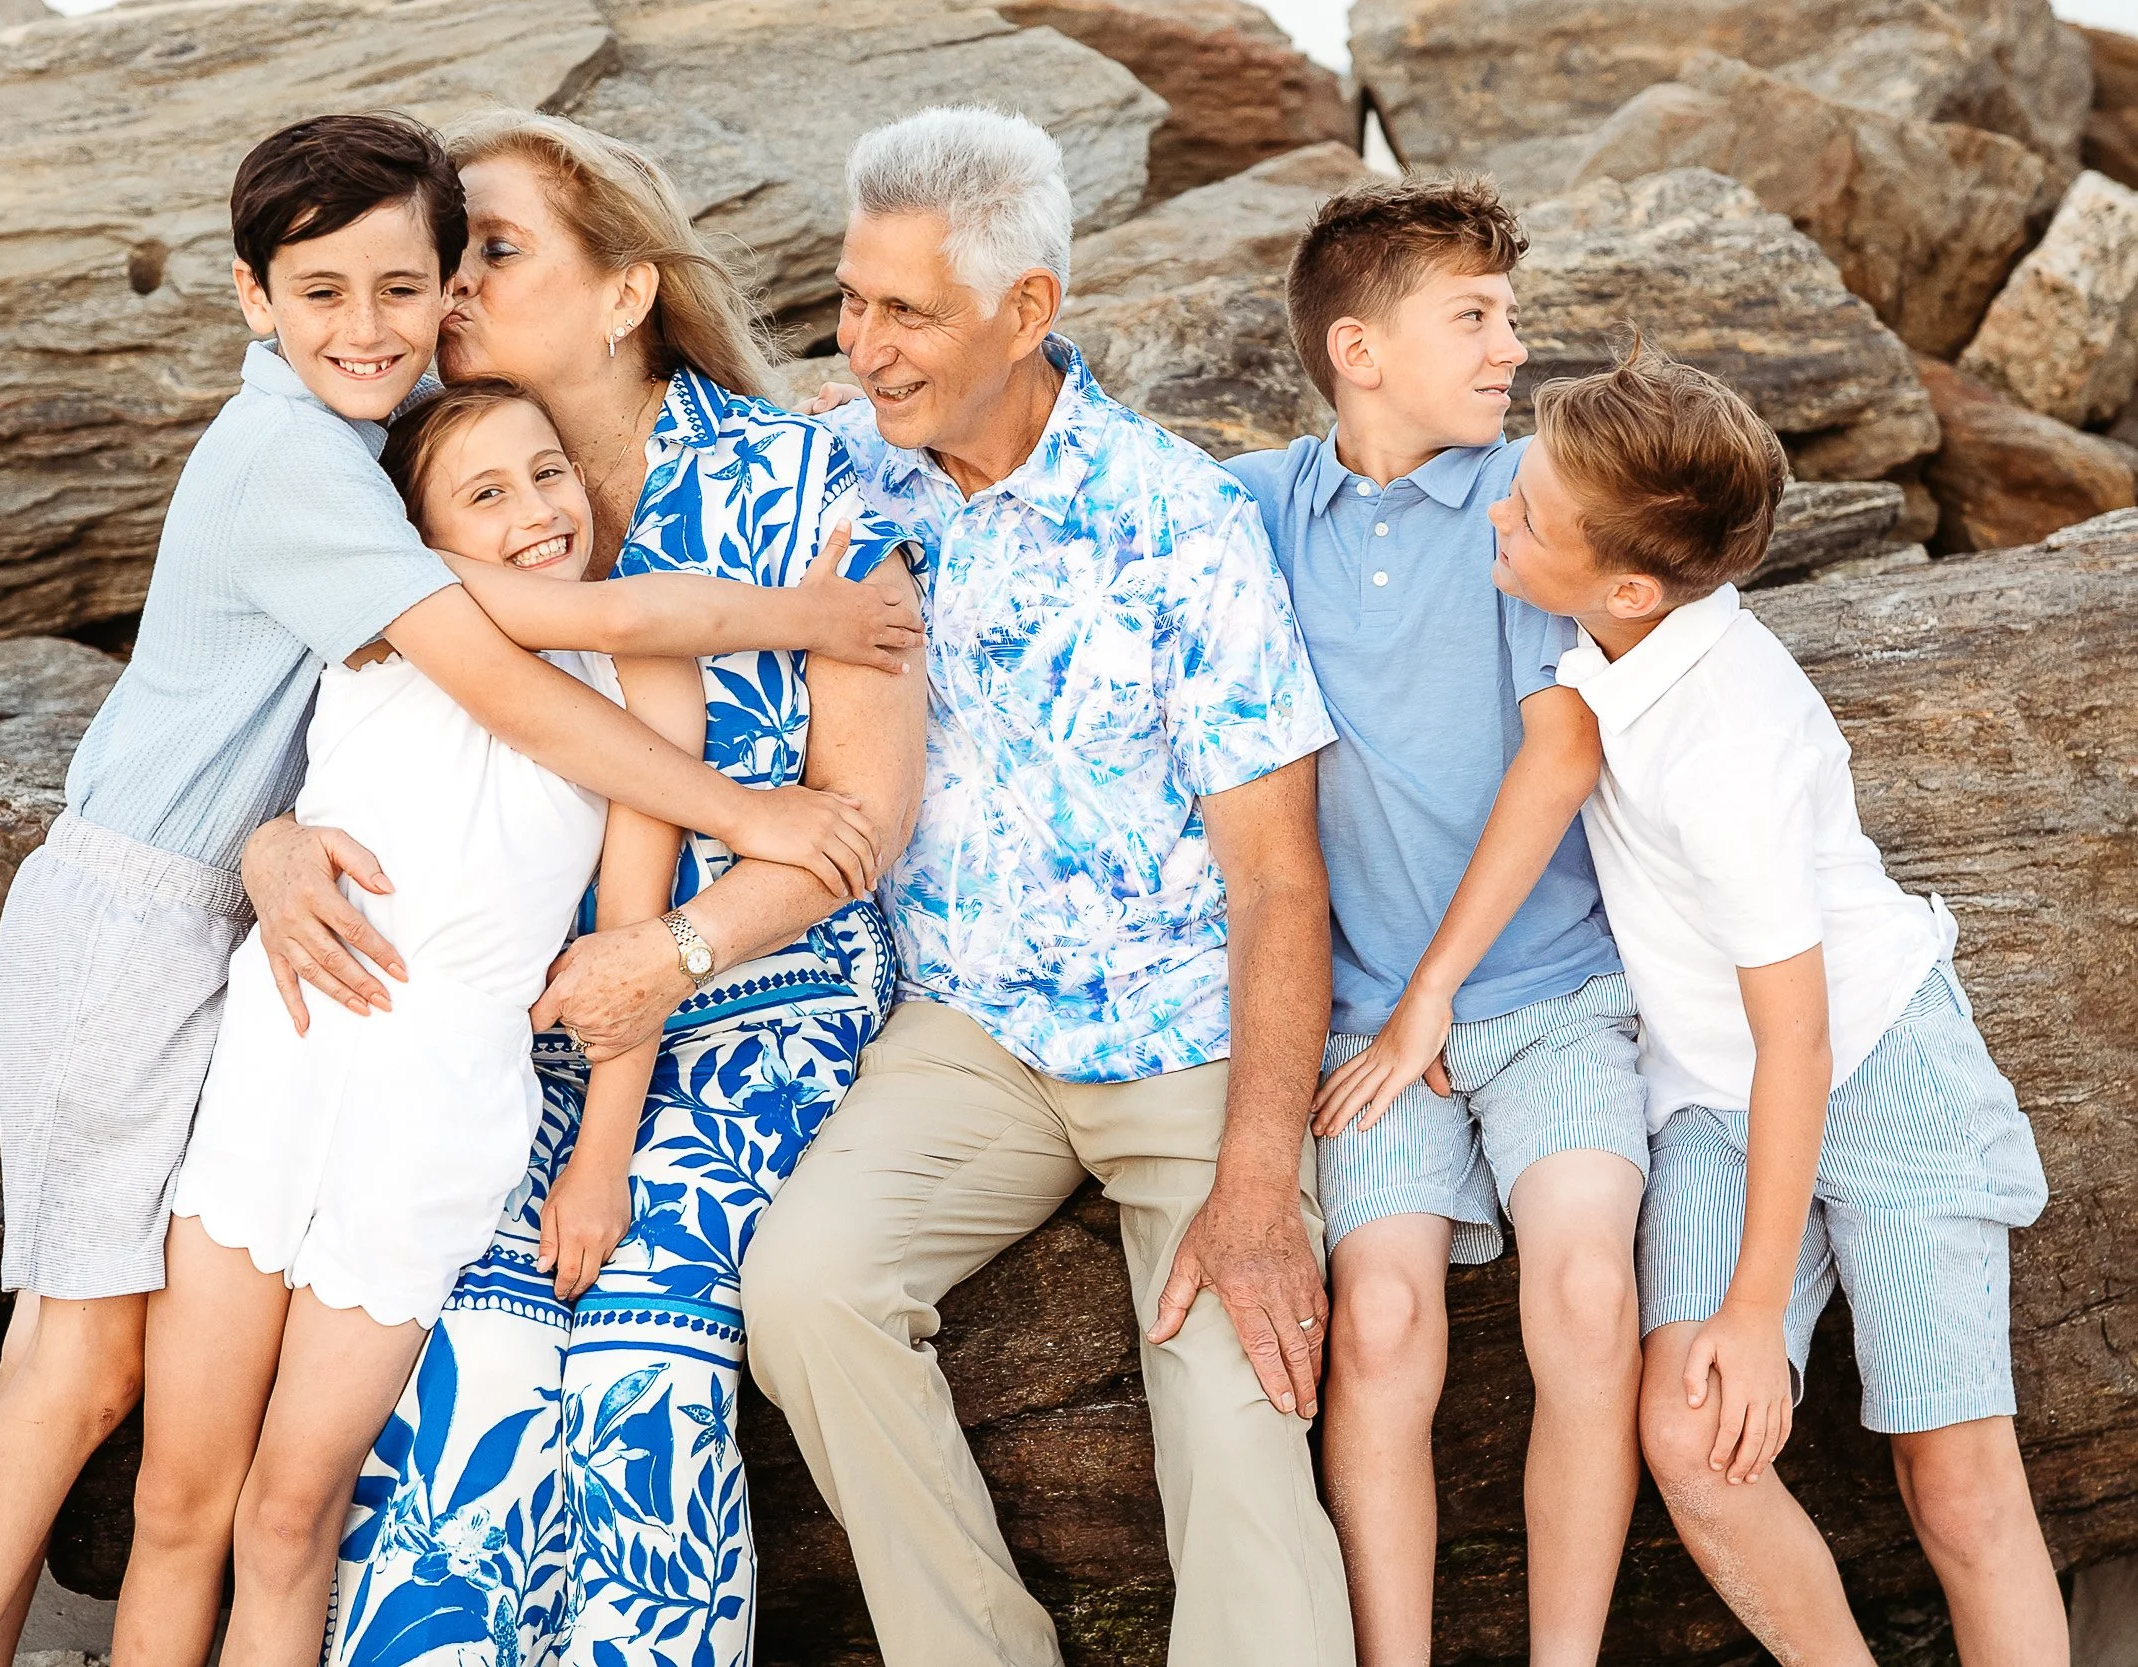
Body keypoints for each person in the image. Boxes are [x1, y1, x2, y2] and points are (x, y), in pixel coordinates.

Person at [0, 113, 910, 1667]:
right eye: (384, 278)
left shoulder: (394, 438)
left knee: (162, 1421)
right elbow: (517, 675)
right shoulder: (328, 459)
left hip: (384, 1016)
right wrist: (753, 787)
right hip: (163, 934)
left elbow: (612, 633)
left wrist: (812, 519)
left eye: (437, 272)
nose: (411, 311)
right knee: (78, 1377)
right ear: (255, 297)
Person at [235, 112, 929, 1666]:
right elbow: (299, 726)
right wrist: (270, 847)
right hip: (514, 1025)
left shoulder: (808, 484)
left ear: (626, 291)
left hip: (753, 1001)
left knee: (639, 1363)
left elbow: (857, 823)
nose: (450, 288)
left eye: (491, 250)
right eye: (447, 254)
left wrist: (673, 949)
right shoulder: (411, 481)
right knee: (460, 1350)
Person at [741, 107, 1351, 1667]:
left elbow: (1280, 881)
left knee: (1242, 1414)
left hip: (1186, 1037)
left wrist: (1260, 1180)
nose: (865, 346)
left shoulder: (1182, 522)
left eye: (907, 311)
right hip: (967, 1033)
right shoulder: (837, 480)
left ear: (1026, 311)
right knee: (803, 1285)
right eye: (850, 301)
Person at [117, 379, 776, 1659]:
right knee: (177, 1499)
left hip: (434, 1123)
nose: (538, 509)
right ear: (417, 530)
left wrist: (598, 1162)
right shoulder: (389, 619)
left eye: (548, 472)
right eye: (486, 492)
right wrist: (272, 839)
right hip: (279, 1066)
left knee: (290, 1515)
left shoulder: (641, 670)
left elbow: (630, 941)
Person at [1490, 344, 2062, 1665]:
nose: (1498, 513)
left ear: (1629, 587)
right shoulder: (1615, 625)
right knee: (1694, 1440)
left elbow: (1796, 1034)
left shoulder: (1726, 743)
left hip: (1872, 1070)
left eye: (1526, 509)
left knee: (1957, 1486)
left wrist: (1754, 1312)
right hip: (1713, 1095)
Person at [1222, 177, 1648, 1667]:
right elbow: (1076, 473)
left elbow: (1560, 748)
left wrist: (1437, 1000)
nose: (1508, 347)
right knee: (1384, 1323)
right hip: (1356, 1021)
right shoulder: (1256, 508)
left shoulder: (1530, 499)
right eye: (1472, 317)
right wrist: (857, 432)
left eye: (1508, 315)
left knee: (1586, 1288)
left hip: (1548, 990)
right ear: (1357, 350)